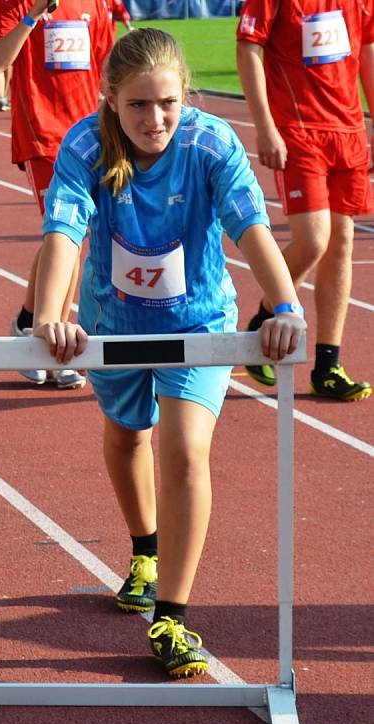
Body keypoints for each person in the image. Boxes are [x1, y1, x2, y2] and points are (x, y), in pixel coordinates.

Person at [32, 29, 306, 678]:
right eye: (138, 106)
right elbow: (65, 228)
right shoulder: (85, 145)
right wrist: (49, 315)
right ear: (111, 100)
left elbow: (250, 225)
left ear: (185, 96)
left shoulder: (210, 142)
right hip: (115, 322)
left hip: (198, 324)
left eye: (168, 104)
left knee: (185, 452)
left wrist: (285, 306)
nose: (155, 120)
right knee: (129, 437)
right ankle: (145, 551)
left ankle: (172, 616)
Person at [236, 0, 373, 401]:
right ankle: (263, 320)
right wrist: (265, 127)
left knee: (341, 244)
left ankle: (328, 366)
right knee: (314, 240)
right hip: (299, 130)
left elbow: (366, 47)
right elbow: (248, 48)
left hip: (347, 131)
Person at [0, 0, 114, 389]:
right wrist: (34, 13)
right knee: (69, 234)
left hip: (90, 134)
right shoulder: (17, 4)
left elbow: (108, 65)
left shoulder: (97, 4)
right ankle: (54, 341)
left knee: (68, 235)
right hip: (43, 136)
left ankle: (28, 322)